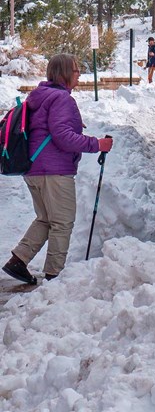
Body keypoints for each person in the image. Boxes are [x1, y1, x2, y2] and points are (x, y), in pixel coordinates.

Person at [1, 54, 113, 284]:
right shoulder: (62, 99)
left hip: (33, 169)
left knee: (45, 219)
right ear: (63, 74)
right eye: (75, 70)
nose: (79, 74)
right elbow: (63, 137)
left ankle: (18, 261)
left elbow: (52, 130)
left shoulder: (40, 97)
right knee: (62, 222)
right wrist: (97, 144)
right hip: (54, 171)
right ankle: (55, 276)